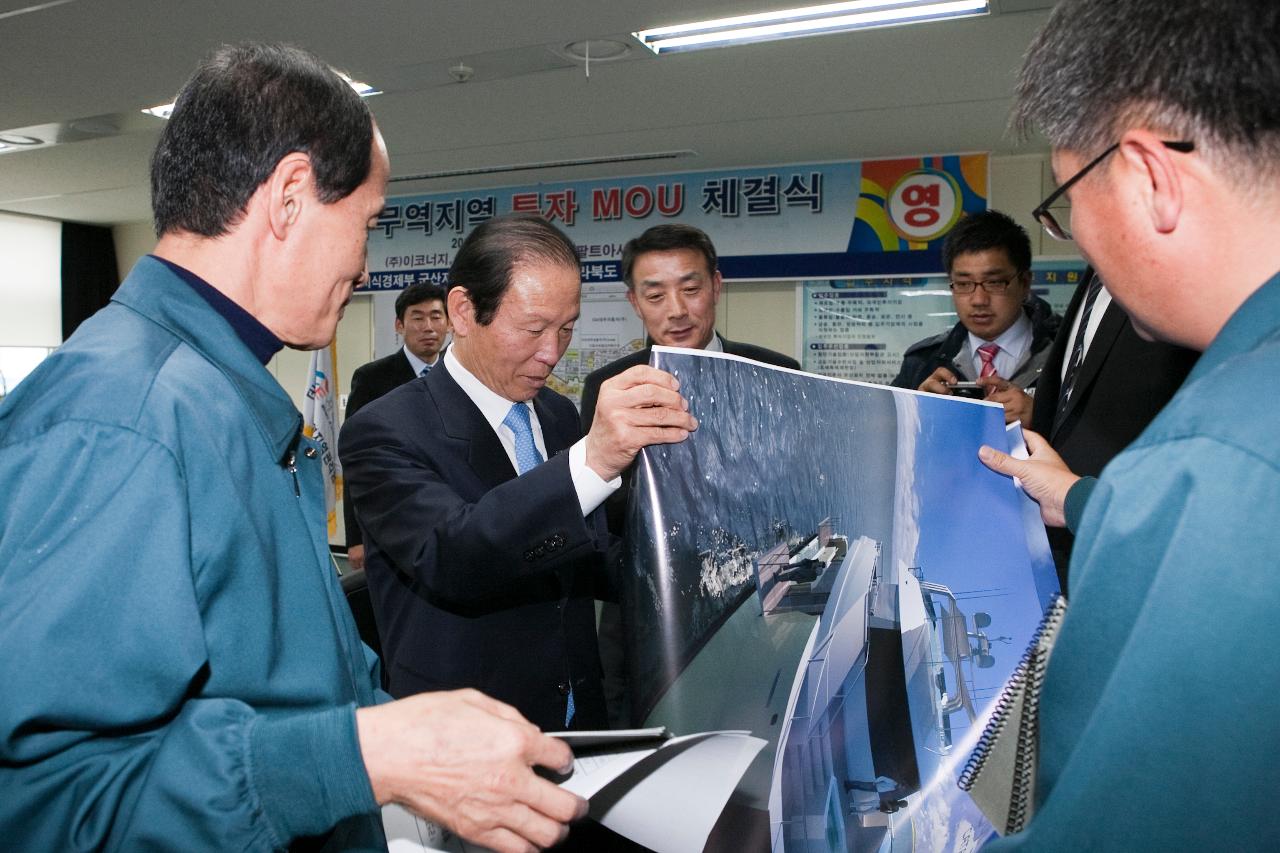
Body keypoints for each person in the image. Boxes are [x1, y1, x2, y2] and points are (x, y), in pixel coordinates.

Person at [0, 43, 586, 853]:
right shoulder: (123, 419)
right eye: (367, 224)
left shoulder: (221, 395)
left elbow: (284, 686)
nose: (365, 262)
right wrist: (364, 755)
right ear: (288, 198)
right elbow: (46, 802)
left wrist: (415, 749)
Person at [977, 0, 1280, 847]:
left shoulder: (1215, 459)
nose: (1074, 231)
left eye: (1067, 195)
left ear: (1150, 175)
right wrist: (1078, 498)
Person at [339, 213, 697, 734]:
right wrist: (593, 460)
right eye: (533, 329)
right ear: (463, 311)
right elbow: (455, 555)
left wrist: (696, 559)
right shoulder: (384, 429)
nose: (552, 353)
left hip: (578, 725)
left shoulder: (553, 414)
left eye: (567, 328)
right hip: (465, 740)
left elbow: (588, 556)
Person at [1027, 266, 1197, 590]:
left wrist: (1076, 498)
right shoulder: (1091, 281)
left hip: (1136, 553)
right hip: (1063, 552)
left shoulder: (1177, 281)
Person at [578, 222, 800, 433]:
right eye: (656, 296)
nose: (677, 311)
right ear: (635, 302)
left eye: (691, 289)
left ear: (715, 287)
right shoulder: (609, 388)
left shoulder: (778, 373)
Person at [891, 209, 1059, 427]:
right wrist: (914, 414)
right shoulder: (922, 362)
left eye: (994, 282)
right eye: (963, 284)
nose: (978, 299)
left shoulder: (1068, 351)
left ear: (1025, 282)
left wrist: (1043, 418)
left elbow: (1103, 441)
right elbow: (890, 442)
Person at [343, 282, 450, 570]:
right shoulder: (372, 379)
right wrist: (355, 537)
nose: (428, 326)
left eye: (436, 316)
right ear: (399, 325)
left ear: (450, 323)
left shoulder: (459, 377)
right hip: (388, 524)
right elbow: (356, 461)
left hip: (450, 522)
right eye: (417, 317)